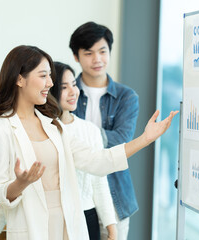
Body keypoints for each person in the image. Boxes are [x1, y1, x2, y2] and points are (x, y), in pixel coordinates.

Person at [0, 45, 177, 240]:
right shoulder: (0, 130)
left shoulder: (53, 126)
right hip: (31, 228)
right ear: (19, 79)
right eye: (43, 76)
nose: (50, 83)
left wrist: (145, 139)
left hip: (69, 227)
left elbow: (99, 160)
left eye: (50, 76)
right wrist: (19, 184)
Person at [69, 21, 139, 239]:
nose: (97, 59)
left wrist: (81, 137)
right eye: (88, 53)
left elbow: (121, 140)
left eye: (102, 51)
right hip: (77, 195)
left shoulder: (127, 97)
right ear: (76, 56)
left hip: (115, 195)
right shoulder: (64, 92)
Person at [52, 62, 117, 240]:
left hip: (87, 217)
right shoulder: (41, 130)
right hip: (54, 219)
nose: (73, 92)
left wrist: (111, 227)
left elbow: (99, 183)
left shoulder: (90, 130)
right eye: (64, 87)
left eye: (74, 84)